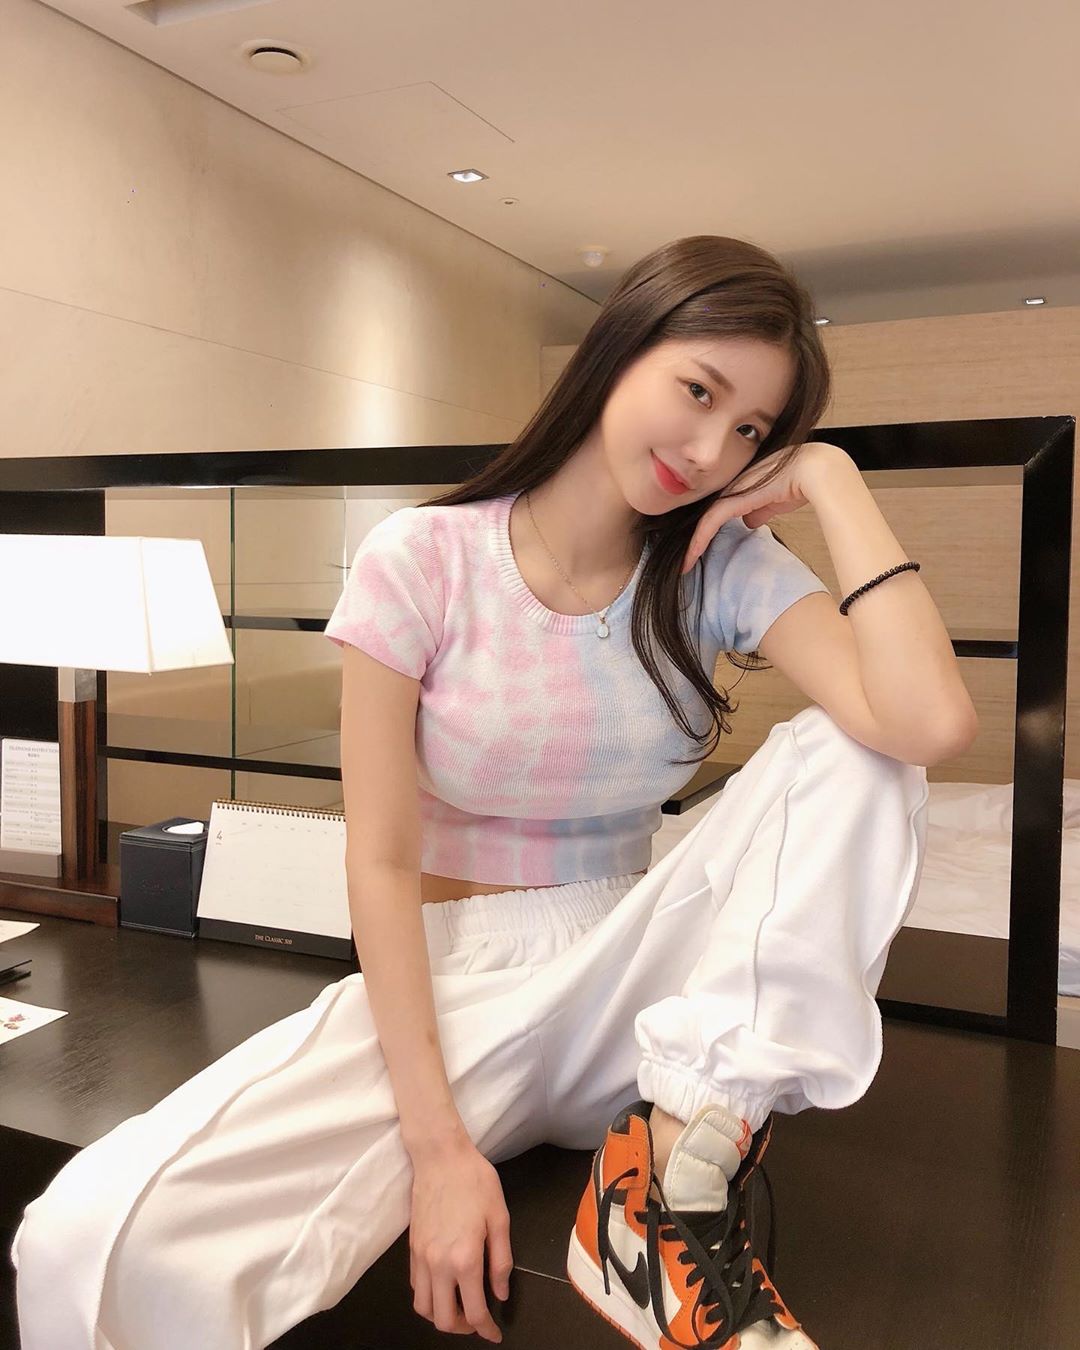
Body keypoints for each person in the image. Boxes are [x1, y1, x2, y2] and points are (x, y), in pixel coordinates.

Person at [11, 234, 976, 1350]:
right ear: (621, 350)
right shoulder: (423, 557)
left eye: (753, 431)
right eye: (699, 392)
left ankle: (664, 1191)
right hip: (460, 976)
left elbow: (927, 725)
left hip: (640, 985)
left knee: (858, 751)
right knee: (92, 1231)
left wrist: (833, 480)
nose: (712, 451)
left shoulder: (717, 566)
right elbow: (377, 861)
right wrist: (438, 1152)